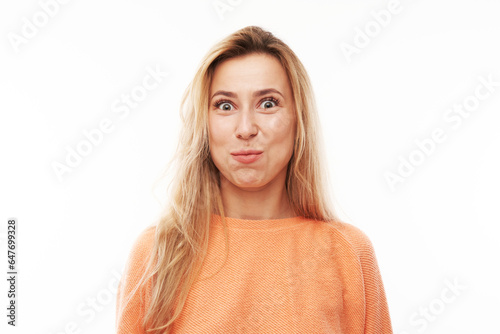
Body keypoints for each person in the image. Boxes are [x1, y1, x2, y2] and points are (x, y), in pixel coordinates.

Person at [115, 25, 393, 333]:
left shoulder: (347, 252)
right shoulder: (158, 252)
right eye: (225, 105)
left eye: (268, 103)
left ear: (298, 119)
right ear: (204, 125)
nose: (245, 128)